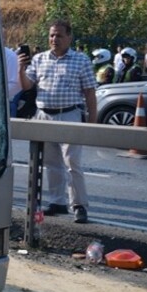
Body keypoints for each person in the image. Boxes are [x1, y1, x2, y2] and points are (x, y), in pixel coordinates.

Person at [19, 18, 98, 224]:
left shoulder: (81, 60)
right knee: (51, 162)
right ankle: (57, 201)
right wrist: (20, 70)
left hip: (69, 114)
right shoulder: (40, 59)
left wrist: (93, 121)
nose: (54, 39)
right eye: (52, 35)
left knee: (72, 161)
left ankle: (79, 205)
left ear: (69, 38)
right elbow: (28, 86)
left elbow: (90, 92)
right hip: (43, 114)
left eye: (59, 35)